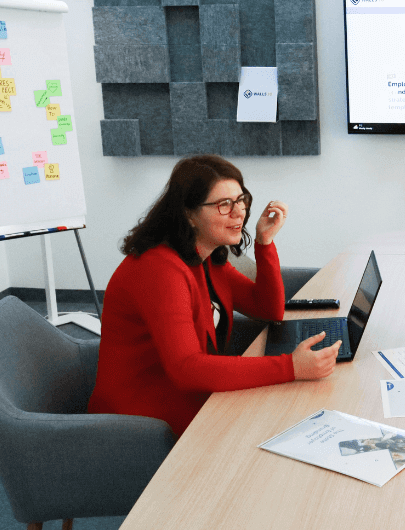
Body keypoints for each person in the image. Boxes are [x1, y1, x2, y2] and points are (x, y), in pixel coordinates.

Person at [88, 155, 341, 436]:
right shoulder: (160, 269)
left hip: (194, 399)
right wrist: (290, 367)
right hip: (143, 423)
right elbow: (187, 369)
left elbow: (269, 309)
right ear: (189, 213)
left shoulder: (206, 256)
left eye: (240, 199)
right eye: (224, 205)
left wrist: (264, 242)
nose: (239, 212)